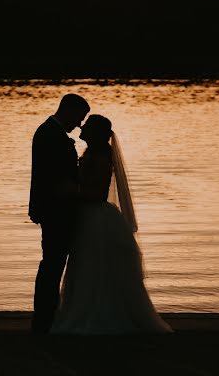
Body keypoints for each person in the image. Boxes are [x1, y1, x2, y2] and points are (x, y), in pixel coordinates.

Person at [51, 114, 172, 334]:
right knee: (91, 267)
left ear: (96, 132)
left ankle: (97, 313)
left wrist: (69, 192)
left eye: (87, 125)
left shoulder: (100, 158)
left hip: (95, 218)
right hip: (91, 216)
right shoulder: (93, 154)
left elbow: (96, 193)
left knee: (93, 266)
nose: (81, 127)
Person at [28, 93, 90, 334]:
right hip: (56, 210)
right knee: (52, 265)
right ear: (69, 111)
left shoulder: (50, 133)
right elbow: (53, 179)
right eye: (79, 118)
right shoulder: (50, 136)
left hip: (54, 209)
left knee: (52, 264)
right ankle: (44, 319)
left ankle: (46, 316)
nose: (79, 125)